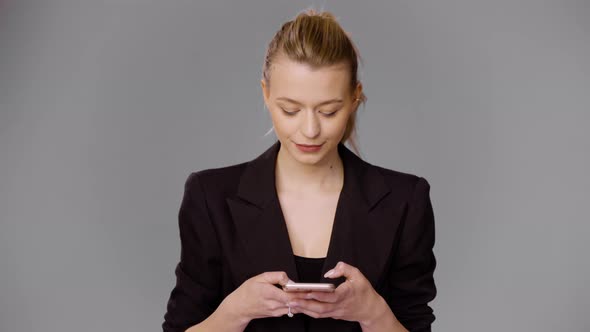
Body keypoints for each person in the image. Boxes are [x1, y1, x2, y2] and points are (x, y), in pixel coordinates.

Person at [162, 9, 436, 332]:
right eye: (290, 110)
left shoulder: (404, 202)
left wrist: (372, 312)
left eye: (328, 111)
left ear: (354, 98)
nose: (309, 130)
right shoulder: (210, 198)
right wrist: (235, 311)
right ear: (266, 94)